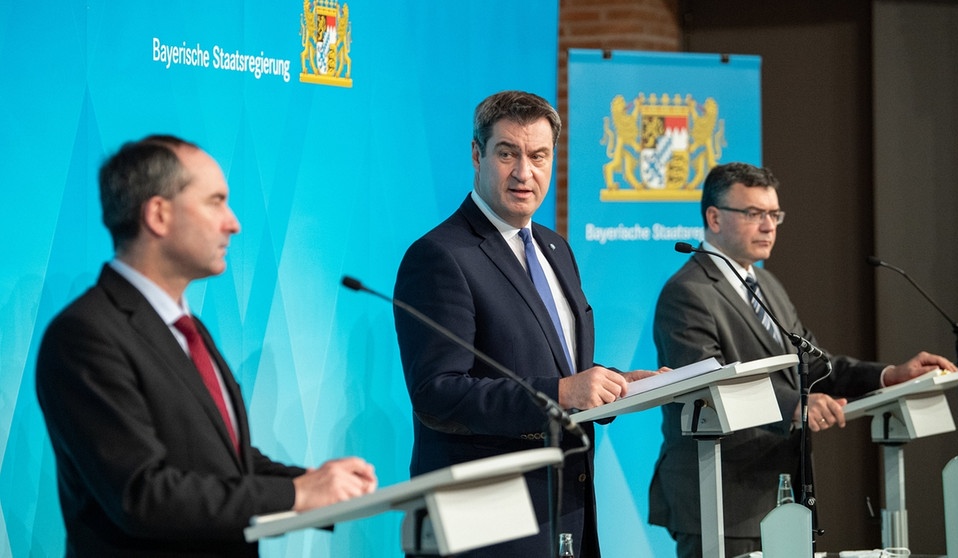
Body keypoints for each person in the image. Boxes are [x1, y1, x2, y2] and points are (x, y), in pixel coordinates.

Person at [35, 135, 377, 557]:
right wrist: (295, 495)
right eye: (215, 202)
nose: (233, 223)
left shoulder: (185, 326)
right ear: (158, 214)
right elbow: (142, 495)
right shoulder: (86, 334)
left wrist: (319, 483)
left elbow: (223, 460)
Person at [393, 90, 658, 557]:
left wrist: (613, 383)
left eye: (538, 156)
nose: (524, 172)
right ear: (477, 155)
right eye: (506, 153)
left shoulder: (556, 248)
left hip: (564, 507)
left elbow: (550, 362)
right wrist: (561, 393)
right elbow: (438, 392)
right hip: (488, 522)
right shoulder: (440, 256)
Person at [647, 162, 956, 558]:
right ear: (714, 217)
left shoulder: (765, 284)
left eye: (774, 214)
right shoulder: (687, 293)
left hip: (782, 495)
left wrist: (891, 375)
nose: (769, 226)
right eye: (754, 214)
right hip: (723, 499)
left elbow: (811, 364)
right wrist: (796, 406)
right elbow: (712, 386)